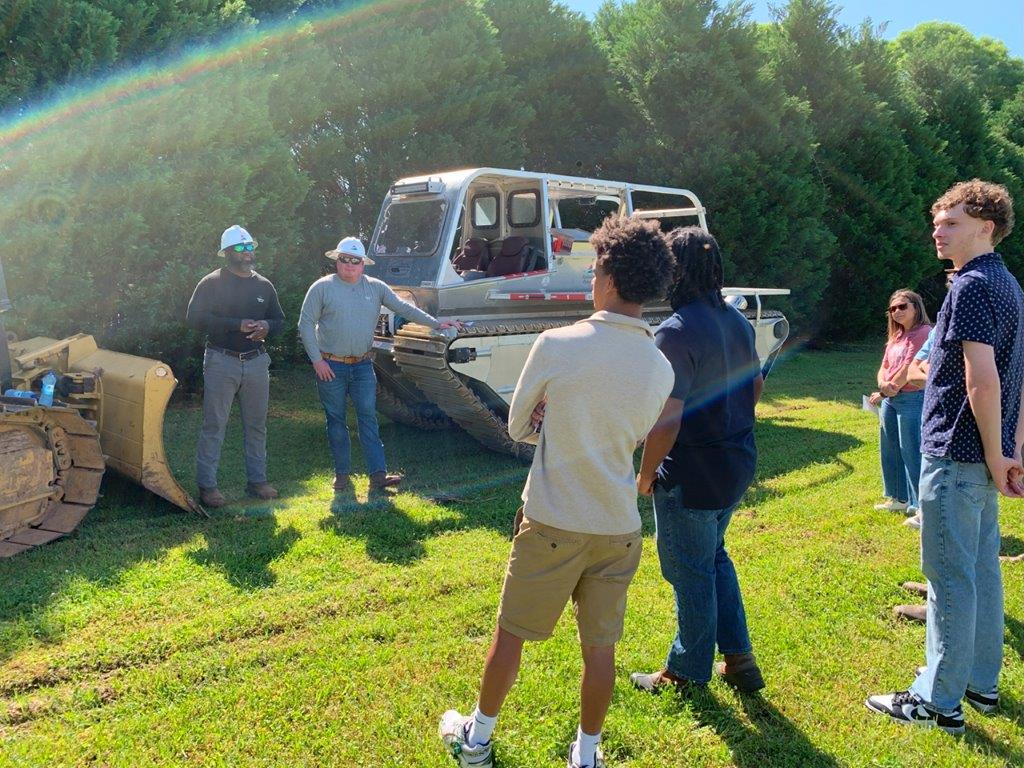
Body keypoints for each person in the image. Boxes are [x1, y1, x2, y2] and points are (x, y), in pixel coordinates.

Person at [438, 215, 675, 768]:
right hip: (619, 528)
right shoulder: (660, 366)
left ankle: (477, 740)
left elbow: (519, 427)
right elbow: (630, 431)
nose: (592, 278)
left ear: (610, 277)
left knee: (511, 636)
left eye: (595, 268)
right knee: (601, 649)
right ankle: (586, 754)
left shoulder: (557, 343)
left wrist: (554, 418)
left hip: (552, 520)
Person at [867, 179, 1024, 734]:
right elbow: (1017, 379)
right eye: (937, 221)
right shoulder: (1006, 284)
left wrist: (995, 450)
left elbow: (984, 380)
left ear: (986, 227)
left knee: (949, 576)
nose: (938, 229)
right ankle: (980, 685)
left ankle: (937, 701)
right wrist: (1008, 452)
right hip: (982, 456)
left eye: (952, 222)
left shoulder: (972, 287)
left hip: (957, 454)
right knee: (980, 570)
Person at [630, 227, 765, 695]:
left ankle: (685, 670)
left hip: (691, 473)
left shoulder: (675, 331)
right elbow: (756, 387)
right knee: (711, 556)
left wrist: (645, 477)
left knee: (689, 570)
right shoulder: (737, 322)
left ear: (675, 271)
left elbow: (666, 420)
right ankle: (739, 658)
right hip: (736, 461)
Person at [298, 236, 459, 491]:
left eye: (355, 260)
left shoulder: (376, 287)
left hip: (363, 366)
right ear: (337, 261)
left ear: (363, 264)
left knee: (368, 418)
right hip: (331, 366)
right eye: (344, 259)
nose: (349, 264)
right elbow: (305, 324)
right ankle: (342, 475)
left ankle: (378, 475)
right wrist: (317, 360)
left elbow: (405, 309)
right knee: (336, 419)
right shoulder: (321, 288)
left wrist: (437, 324)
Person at [185, 225, 285, 508]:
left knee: (257, 425)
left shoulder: (264, 286)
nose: (246, 252)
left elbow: (280, 321)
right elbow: (193, 318)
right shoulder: (211, 283)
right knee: (214, 424)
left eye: (250, 246)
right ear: (227, 253)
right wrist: (235, 325)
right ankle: (207, 486)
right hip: (221, 360)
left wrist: (267, 326)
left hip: (256, 362)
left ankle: (257, 481)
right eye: (240, 248)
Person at [868, 291, 932, 519]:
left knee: (912, 451)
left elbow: (910, 366)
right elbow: (884, 365)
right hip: (892, 400)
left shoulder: (924, 332)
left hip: (912, 399)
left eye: (902, 306)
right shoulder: (896, 336)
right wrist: (883, 383)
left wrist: (890, 387)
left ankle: (923, 507)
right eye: (893, 308)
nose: (897, 312)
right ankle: (898, 498)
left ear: (916, 307)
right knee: (890, 448)